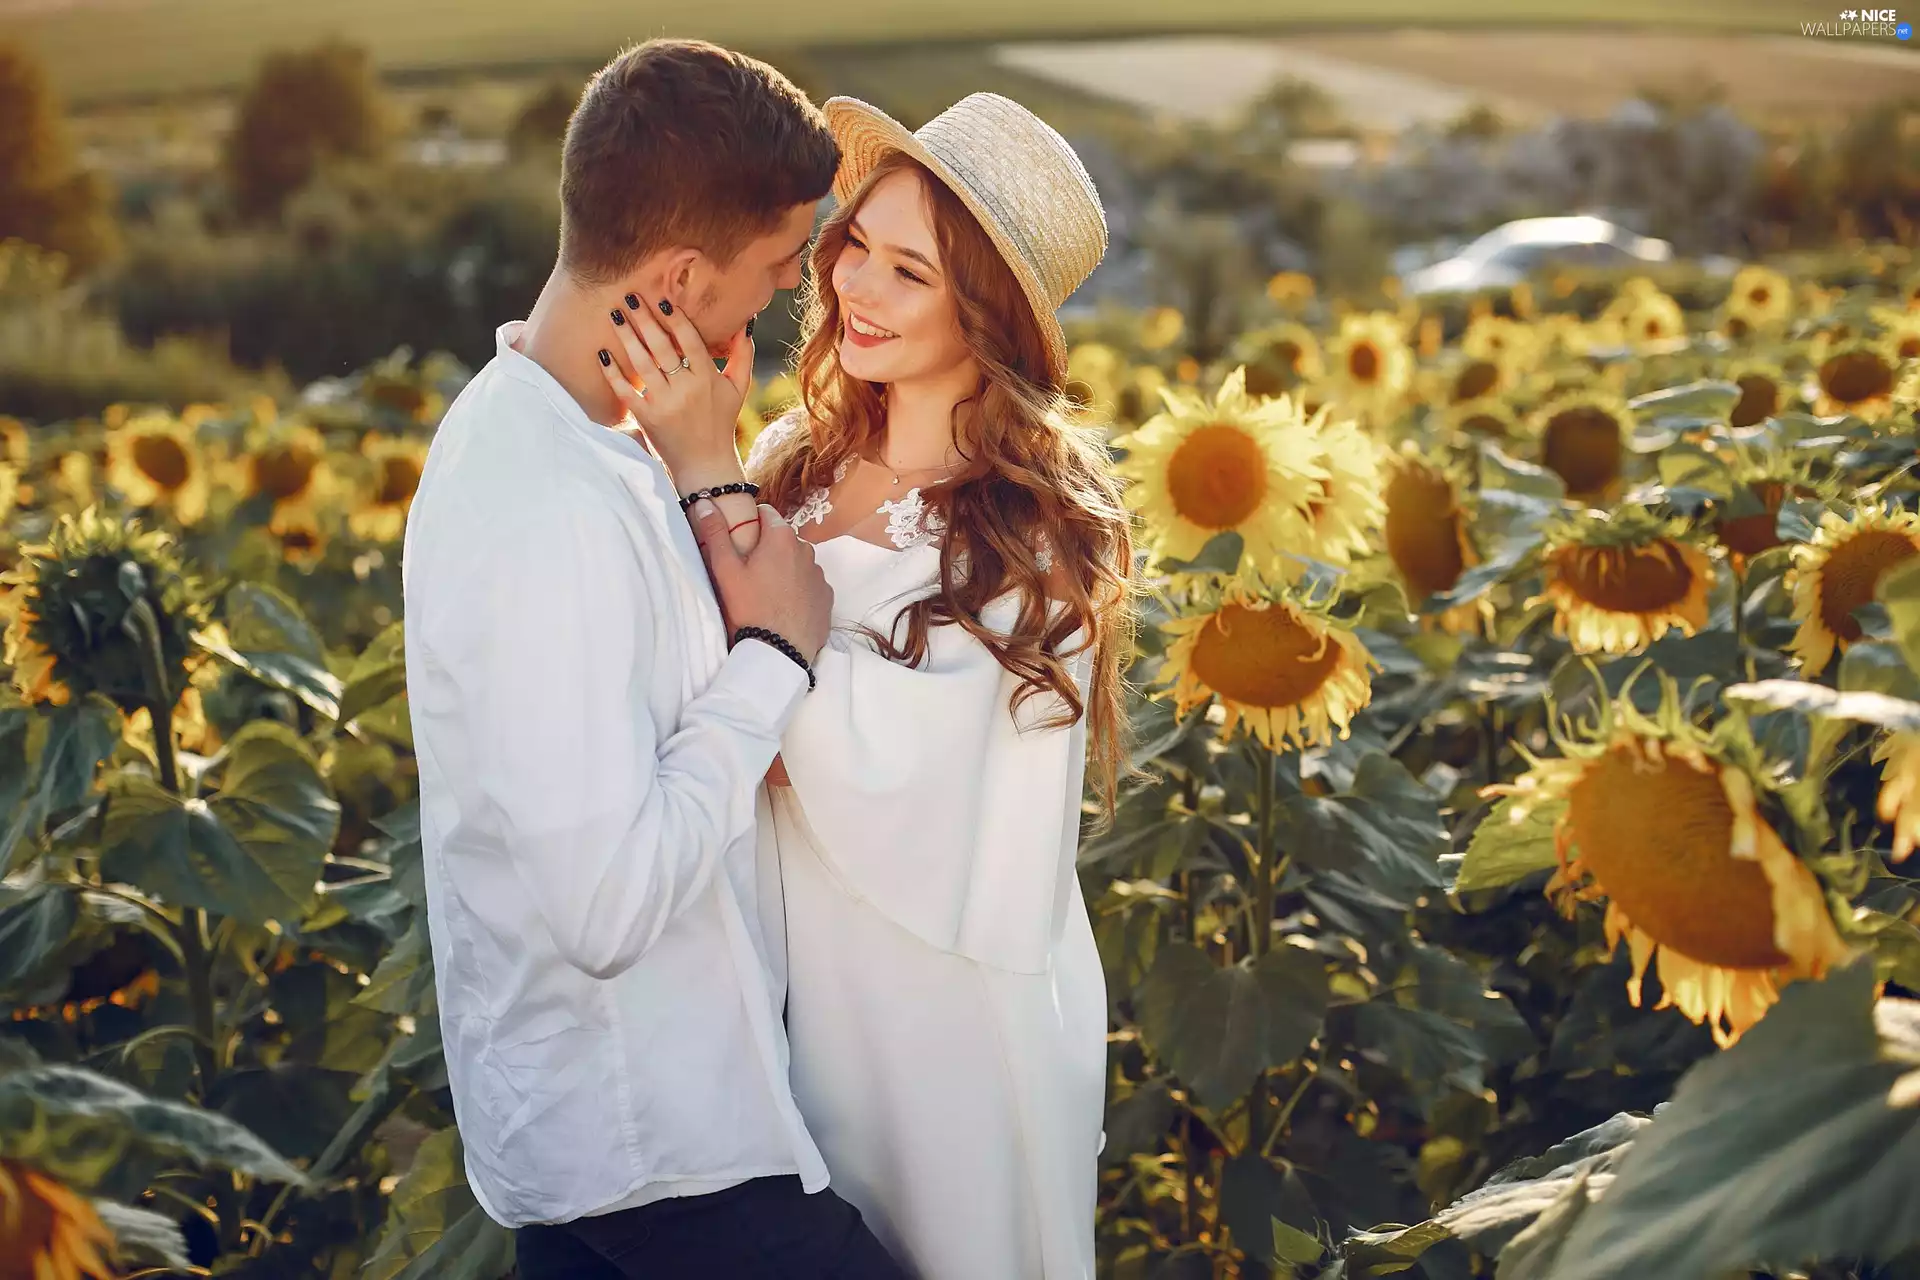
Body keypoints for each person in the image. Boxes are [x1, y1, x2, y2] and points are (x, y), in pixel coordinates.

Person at [401, 40, 908, 1279]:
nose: (798, 292)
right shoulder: (544, 509)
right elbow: (608, 906)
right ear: (680, 275)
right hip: (656, 1168)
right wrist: (774, 661)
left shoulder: (572, 436)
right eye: (783, 261)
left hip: (666, 1141)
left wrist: (701, 458)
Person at [750, 92, 1138, 1278]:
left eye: (908, 270)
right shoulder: (788, 464)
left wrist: (764, 655)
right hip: (789, 969)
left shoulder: (1041, 531)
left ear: (986, 312)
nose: (856, 287)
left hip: (945, 1005)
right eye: (856, 242)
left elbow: (908, 778)